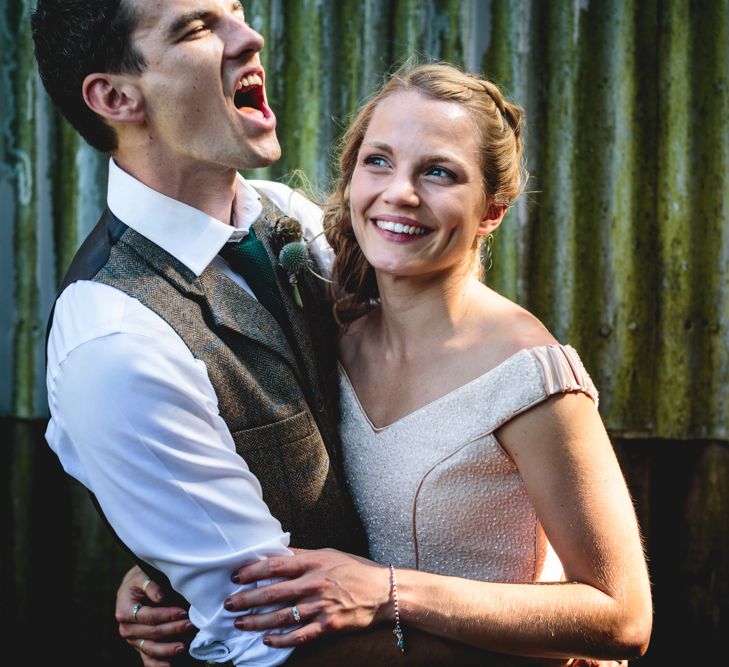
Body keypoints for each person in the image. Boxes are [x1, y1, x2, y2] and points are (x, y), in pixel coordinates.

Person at [120, 63, 653, 666]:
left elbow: (622, 615)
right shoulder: (329, 333)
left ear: (492, 211)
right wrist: (167, 577)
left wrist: (390, 592)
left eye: (439, 172)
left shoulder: (531, 376)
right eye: (379, 162)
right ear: (350, 183)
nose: (400, 192)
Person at [32, 1, 370, 665]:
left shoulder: (293, 216)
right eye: (197, 27)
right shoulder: (113, 340)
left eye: (237, 10)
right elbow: (270, 636)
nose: (250, 36)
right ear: (115, 96)